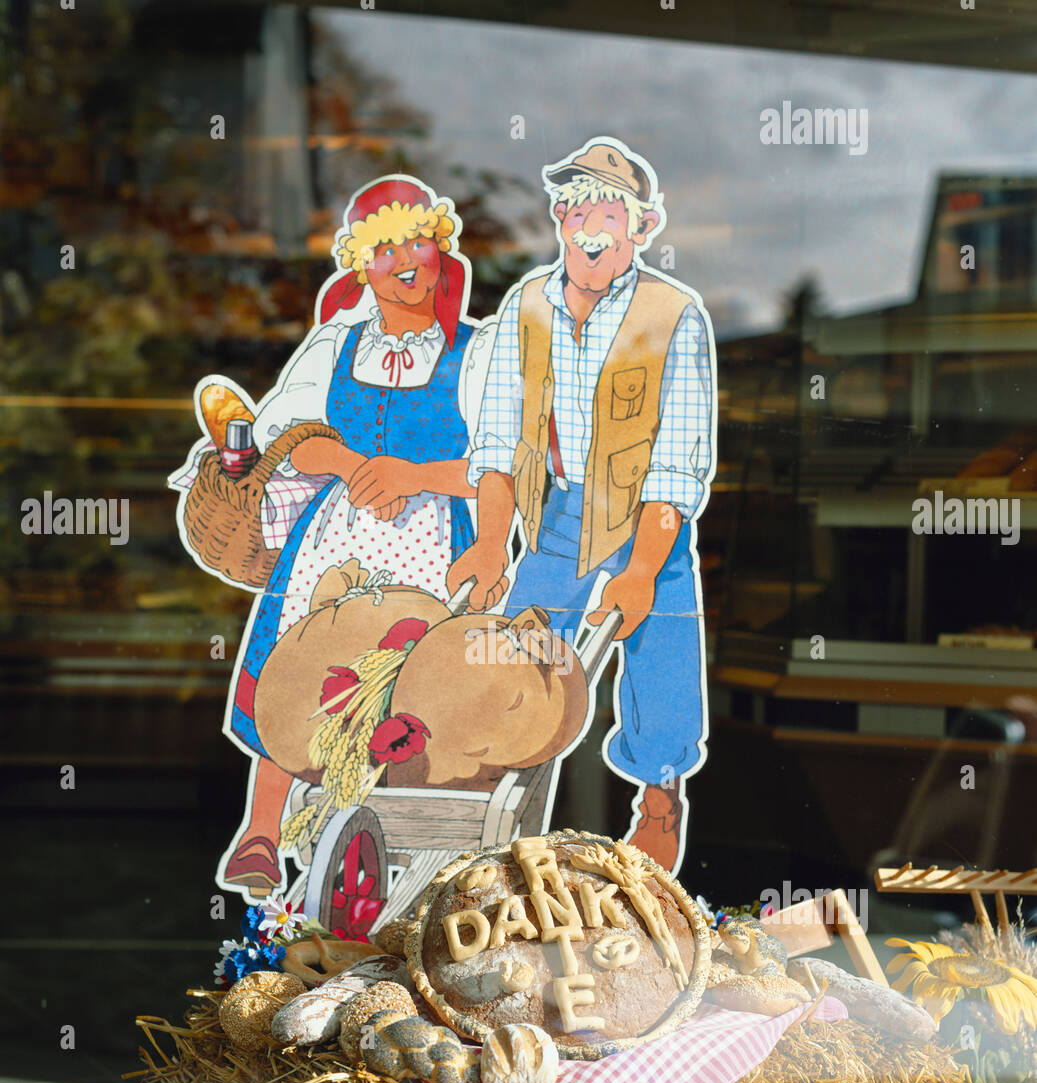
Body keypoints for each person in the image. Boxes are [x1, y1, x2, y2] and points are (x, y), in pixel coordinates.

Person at [171, 176, 491, 895]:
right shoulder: (336, 345)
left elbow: (502, 464)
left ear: (441, 252)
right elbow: (286, 437)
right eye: (385, 249)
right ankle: (262, 829)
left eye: (419, 242)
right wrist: (353, 465)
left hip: (435, 543)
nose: (406, 261)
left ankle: (409, 846)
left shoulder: (478, 352)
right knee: (296, 662)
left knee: (411, 679)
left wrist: (415, 476)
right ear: (359, 265)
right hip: (337, 539)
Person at [448, 139, 717, 873]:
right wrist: (488, 543)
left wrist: (640, 568)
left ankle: (659, 798)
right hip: (558, 512)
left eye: (607, 209)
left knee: (660, 645)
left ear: (643, 226)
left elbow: (678, 460)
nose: (588, 224)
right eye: (573, 207)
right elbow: (497, 441)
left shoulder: (674, 314)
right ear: (557, 220)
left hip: (646, 518)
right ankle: (494, 799)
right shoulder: (525, 304)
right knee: (521, 654)